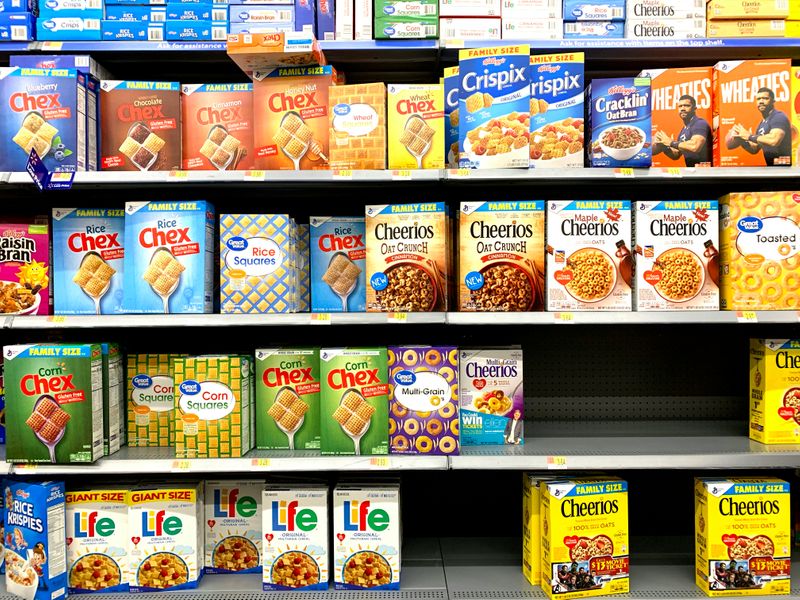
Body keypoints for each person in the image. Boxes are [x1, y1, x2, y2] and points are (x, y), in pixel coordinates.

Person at [729, 87, 791, 166]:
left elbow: (774, 140)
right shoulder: (762, 124)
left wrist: (749, 136)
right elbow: (754, 149)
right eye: (758, 99)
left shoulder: (778, 117)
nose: (761, 101)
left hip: (786, 170)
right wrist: (741, 140)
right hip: (773, 170)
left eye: (765, 98)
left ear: (773, 101)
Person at [653, 95, 711, 167]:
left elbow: (695, 146)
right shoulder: (683, 130)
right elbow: (676, 154)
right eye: (680, 106)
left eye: (686, 106)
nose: (682, 109)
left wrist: (670, 142)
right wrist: (664, 146)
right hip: (692, 172)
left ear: (694, 109)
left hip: (705, 173)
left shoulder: (699, 123)